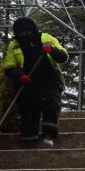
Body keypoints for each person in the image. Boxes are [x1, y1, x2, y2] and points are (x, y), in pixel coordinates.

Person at [2, 17, 68, 148]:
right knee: (28, 108)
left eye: (28, 32)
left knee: (50, 104)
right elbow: (8, 66)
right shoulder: (14, 45)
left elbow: (63, 56)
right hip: (27, 83)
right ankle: (28, 139)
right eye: (21, 33)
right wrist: (19, 75)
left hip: (49, 80)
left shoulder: (46, 38)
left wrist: (52, 50)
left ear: (33, 30)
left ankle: (48, 135)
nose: (25, 35)